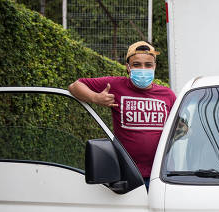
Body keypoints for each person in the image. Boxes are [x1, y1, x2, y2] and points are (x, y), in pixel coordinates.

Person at [68, 41, 176, 188]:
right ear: (128, 67)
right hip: (128, 175)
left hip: (161, 176)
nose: (143, 69)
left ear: (154, 66)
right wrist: (96, 98)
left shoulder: (167, 95)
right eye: (136, 65)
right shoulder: (116, 85)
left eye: (148, 65)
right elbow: (75, 86)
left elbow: (181, 126)